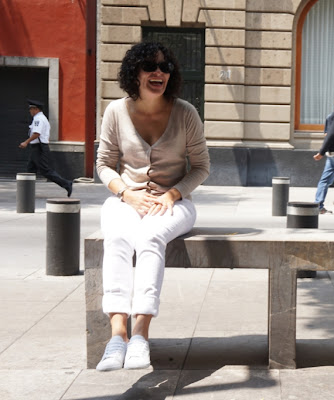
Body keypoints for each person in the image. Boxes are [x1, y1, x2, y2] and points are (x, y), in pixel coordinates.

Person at [95, 41, 210, 371]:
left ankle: (140, 336)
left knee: (149, 237)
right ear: (135, 72)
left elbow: (201, 167)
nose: (158, 72)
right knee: (117, 238)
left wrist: (173, 194)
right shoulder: (116, 111)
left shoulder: (185, 113)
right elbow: (104, 164)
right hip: (126, 198)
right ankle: (117, 337)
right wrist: (125, 193)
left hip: (174, 202)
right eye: (149, 66)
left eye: (165, 67)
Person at [19, 99, 73, 197]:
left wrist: (26, 142)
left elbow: (37, 133)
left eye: (31, 109)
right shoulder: (40, 118)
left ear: (36, 109)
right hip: (37, 147)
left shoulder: (39, 119)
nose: (30, 111)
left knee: (45, 171)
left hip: (39, 147)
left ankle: (66, 183)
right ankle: (27, 192)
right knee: (30, 169)